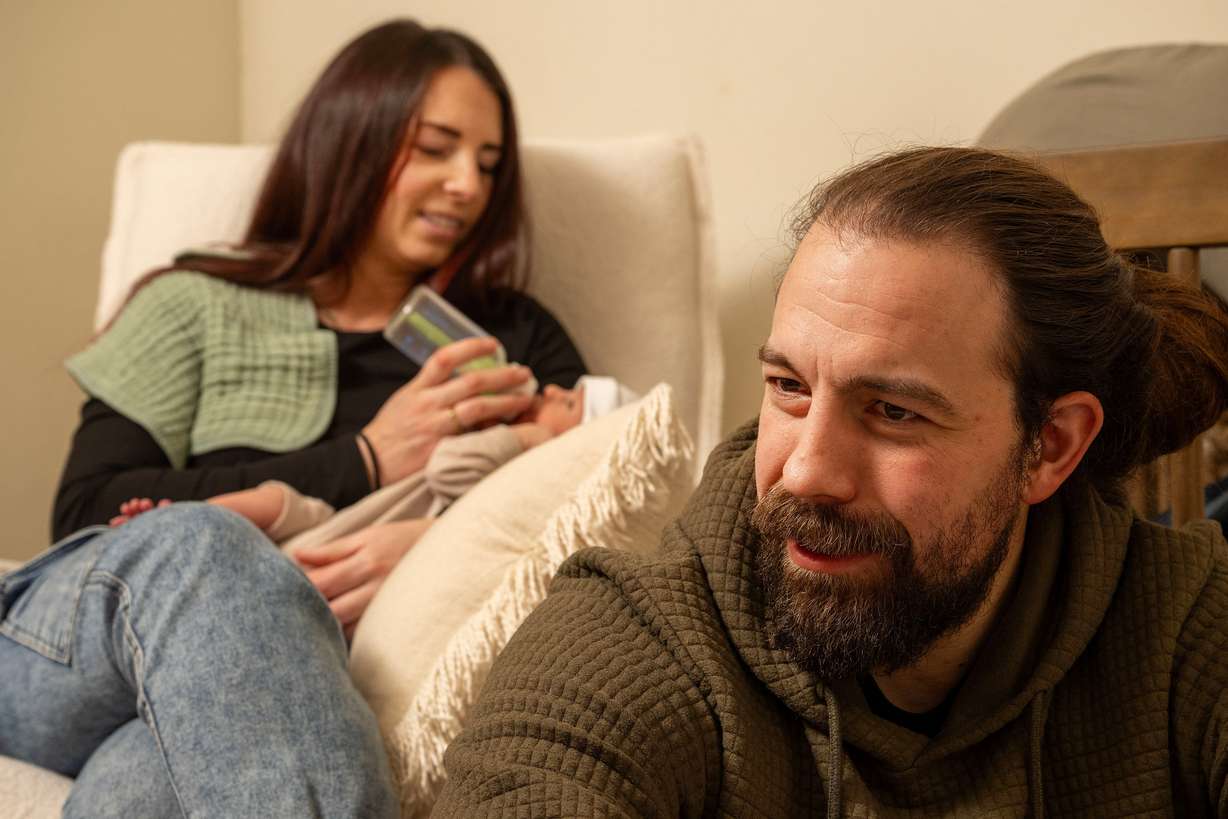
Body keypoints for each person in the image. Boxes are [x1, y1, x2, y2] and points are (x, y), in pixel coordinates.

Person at [433, 147, 1228, 817]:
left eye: (893, 411)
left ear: (1049, 446)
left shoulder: (1188, 626)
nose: (805, 470)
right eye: (789, 387)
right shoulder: (634, 641)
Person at [1, 19, 584, 818]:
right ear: (353, 138)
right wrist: (371, 458)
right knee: (213, 546)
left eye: (487, 164)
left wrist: (432, 547)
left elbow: (605, 496)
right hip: (68, 653)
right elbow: (90, 510)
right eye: (436, 147)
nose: (468, 186)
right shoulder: (193, 303)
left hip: (275, 693)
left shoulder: (512, 339)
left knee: (152, 777)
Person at [110, 376, 637, 585]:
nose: (548, 388)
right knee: (279, 501)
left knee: (275, 525)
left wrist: (524, 441)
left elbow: (447, 467)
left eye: (567, 401)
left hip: (344, 555)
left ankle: (183, 533)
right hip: (339, 522)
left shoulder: (524, 463)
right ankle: (179, 521)